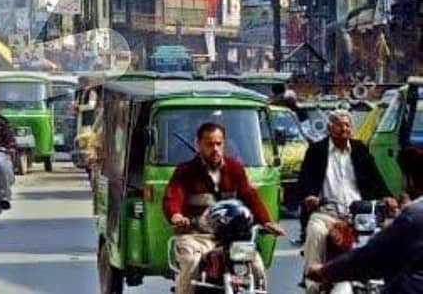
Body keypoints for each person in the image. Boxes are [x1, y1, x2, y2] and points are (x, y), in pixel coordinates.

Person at [163, 122, 285, 294]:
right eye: (209, 144)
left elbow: (250, 196)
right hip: (197, 236)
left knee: (256, 266)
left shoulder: (234, 168)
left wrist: (266, 222)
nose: (215, 149)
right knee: (191, 264)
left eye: (218, 143)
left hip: (232, 238)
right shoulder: (185, 170)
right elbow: (173, 196)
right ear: (198, 144)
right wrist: (176, 215)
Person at [298, 109, 396, 294]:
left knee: (381, 237)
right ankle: (313, 284)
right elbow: (305, 180)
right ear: (329, 128)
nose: (344, 129)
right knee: (315, 232)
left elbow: (375, 178)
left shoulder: (360, 149)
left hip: (359, 215)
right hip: (326, 214)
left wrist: (387, 196)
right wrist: (310, 197)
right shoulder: (316, 150)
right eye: (339, 125)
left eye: (347, 125)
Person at [307, 146, 423, 293]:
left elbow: (371, 259)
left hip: (366, 213)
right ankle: (311, 286)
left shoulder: (413, 216)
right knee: (315, 228)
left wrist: (325, 271)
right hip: (330, 213)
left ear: (411, 179)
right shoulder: (317, 153)